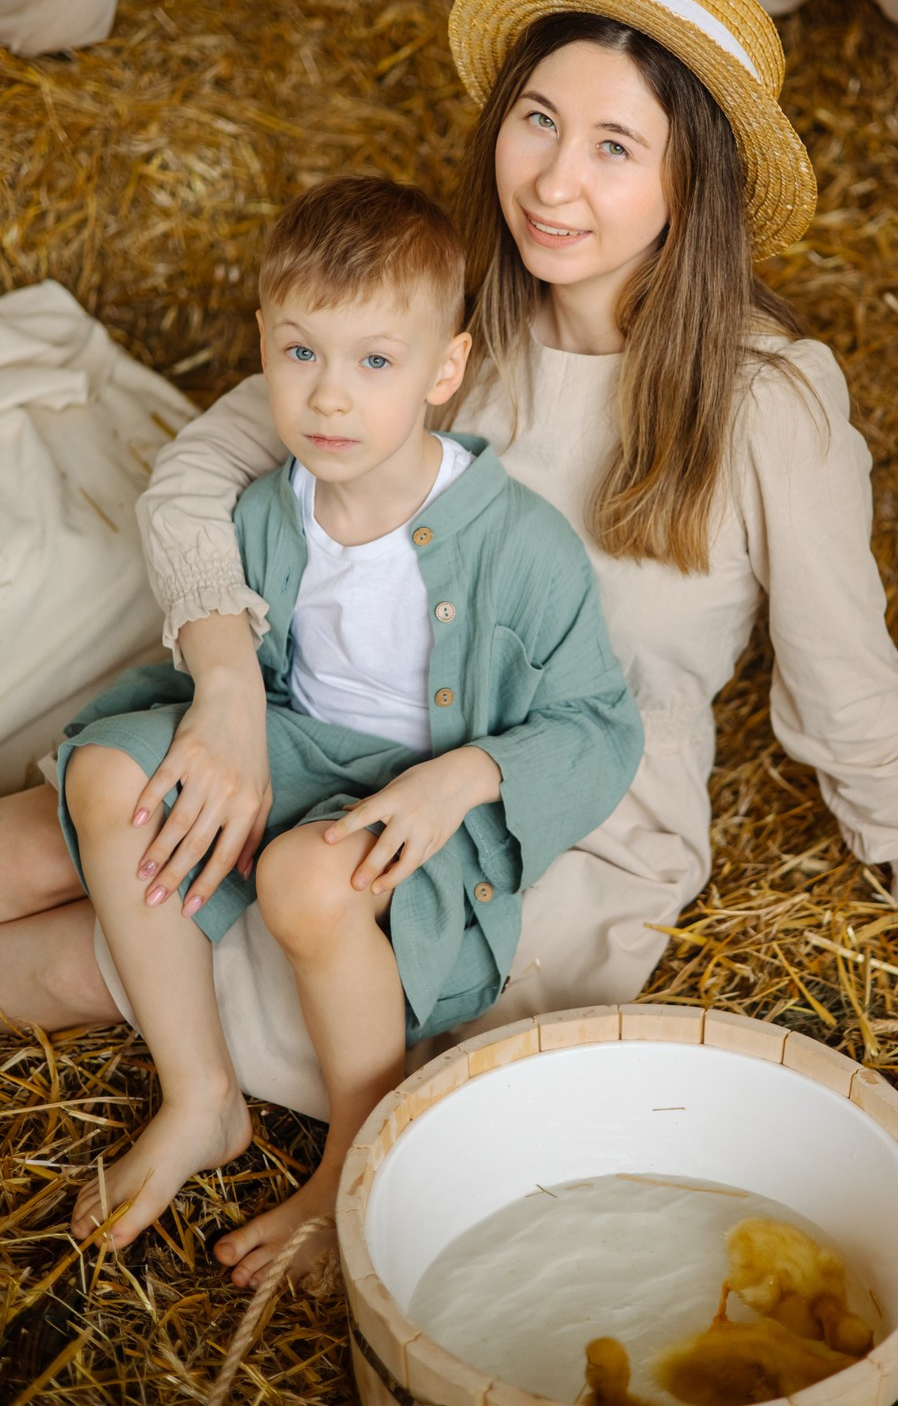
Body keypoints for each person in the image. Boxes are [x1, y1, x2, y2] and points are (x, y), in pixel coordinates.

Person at [0, 0, 898, 1227]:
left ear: (687, 181)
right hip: (330, 718)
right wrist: (222, 691)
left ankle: (243, 1093)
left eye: (613, 146)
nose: (552, 177)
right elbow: (196, 473)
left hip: (542, 818)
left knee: (71, 953)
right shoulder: (442, 328)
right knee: (32, 843)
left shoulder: (768, 406)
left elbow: (847, 688)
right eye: (538, 118)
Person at [45, 175, 642, 1284]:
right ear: (261, 346)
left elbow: (600, 728)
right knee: (96, 780)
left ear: (443, 371)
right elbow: (260, 680)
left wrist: (461, 778)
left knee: (303, 883)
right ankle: (201, 1093)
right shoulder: (269, 508)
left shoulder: (519, 545)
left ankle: (357, 1157)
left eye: (375, 361)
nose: (329, 397)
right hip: (294, 744)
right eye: (301, 354)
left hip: (420, 799)